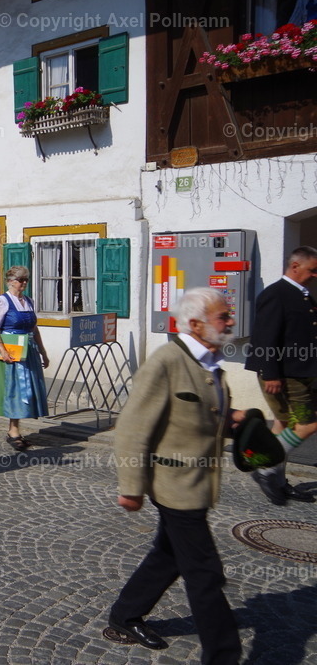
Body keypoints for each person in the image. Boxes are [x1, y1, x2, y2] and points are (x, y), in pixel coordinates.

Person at [108, 287, 242, 664]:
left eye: (228, 315)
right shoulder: (167, 360)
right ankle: (223, 656)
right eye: (223, 317)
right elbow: (133, 427)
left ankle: (125, 614)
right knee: (205, 574)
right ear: (196, 324)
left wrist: (238, 421)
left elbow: (208, 417)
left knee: (168, 556)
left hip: (199, 483)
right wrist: (130, 486)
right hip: (173, 486)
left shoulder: (210, 362)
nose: (230, 322)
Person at [244, 246, 317, 505]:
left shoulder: (303, 295)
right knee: (307, 424)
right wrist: (270, 373)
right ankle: (265, 467)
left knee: (283, 425)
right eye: (313, 270)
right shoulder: (276, 293)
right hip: (285, 375)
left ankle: (276, 479)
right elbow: (265, 335)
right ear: (295, 266)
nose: (315, 275)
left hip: (300, 372)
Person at [0, 265, 50, 451]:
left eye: (26, 280)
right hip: (11, 349)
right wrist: (2, 350)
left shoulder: (28, 301)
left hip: (28, 349)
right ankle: (13, 431)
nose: (23, 283)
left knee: (28, 390)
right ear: (10, 281)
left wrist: (43, 352)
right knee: (15, 389)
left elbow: (34, 329)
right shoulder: (3, 301)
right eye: (20, 279)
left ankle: (15, 429)